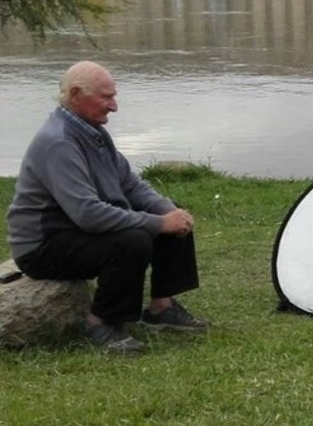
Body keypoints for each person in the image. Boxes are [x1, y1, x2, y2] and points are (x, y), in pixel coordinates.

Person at [6, 61, 205, 353]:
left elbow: (130, 184)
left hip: (73, 231)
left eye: (114, 96)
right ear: (75, 94)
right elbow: (88, 215)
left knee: (171, 211)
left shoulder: (91, 131)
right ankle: (101, 322)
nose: (114, 106)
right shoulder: (58, 142)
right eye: (106, 97)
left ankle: (161, 307)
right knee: (131, 241)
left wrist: (167, 211)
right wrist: (159, 223)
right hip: (43, 246)